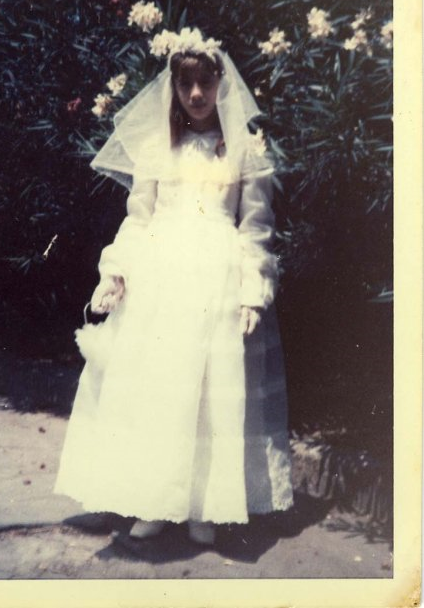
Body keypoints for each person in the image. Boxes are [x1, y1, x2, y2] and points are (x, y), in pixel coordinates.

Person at [54, 27, 294, 547]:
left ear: (221, 84)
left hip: (215, 277)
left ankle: (202, 506)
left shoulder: (244, 152)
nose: (196, 95)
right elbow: (138, 217)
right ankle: (155, 500)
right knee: (160, 387)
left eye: (205, 83)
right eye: (186, 85)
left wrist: (252, 290)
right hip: (160, 277)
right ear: (174, 89)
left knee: (208, 391)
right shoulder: (157, 149)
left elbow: (255, 227)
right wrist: (117, 272)